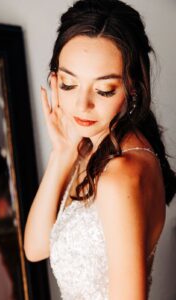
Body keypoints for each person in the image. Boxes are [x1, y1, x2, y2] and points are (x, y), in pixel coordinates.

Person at [24, 0, 176, 299]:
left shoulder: (120, 174)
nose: (82, 106)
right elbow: (36, 248)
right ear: (55, 80)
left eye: (104, 90)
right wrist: (62, 154)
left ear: (133, 87)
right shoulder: (93, 150)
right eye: (68, 84)